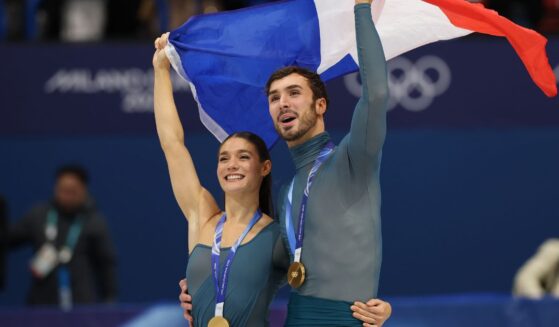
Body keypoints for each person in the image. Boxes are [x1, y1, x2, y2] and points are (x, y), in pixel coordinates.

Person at [154, 10, 391, 323]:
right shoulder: (288, 194)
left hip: (347, 318)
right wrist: (199, 292)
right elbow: (255, 273)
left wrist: (361, 9)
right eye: (274, 97)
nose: (283, 103)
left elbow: (376, 95)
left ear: (320, 105)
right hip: (297, 318)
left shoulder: (352, 159)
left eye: (294, 93)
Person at [8, 165, 117, 306]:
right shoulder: (39, 216)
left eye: (72, 192)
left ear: (84, 190)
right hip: (42, 303)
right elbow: (8, 238)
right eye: (62, 191)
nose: (66, 196)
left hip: (80, 303)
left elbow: (106, 264)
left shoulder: (94, 222)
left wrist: (109, 299)